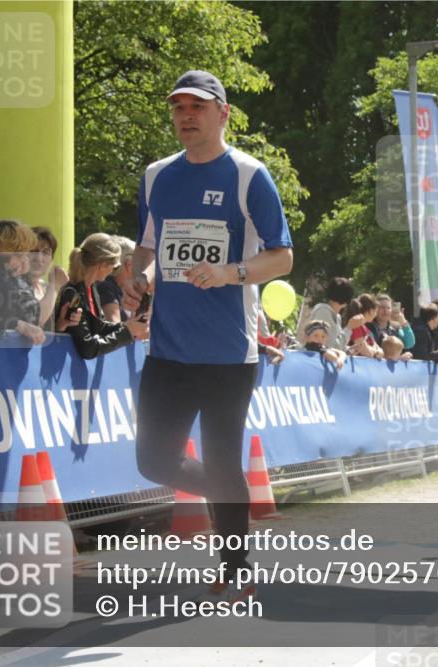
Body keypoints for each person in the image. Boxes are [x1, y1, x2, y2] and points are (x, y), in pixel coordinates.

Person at [122, 70, 293, 603]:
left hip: (228, 353)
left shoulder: (249, 175)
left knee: (222, 460)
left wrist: (231, 272)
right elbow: (147, 246)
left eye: (197, 107)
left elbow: (282, 257)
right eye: (178, 108)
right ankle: (230, 492)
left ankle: (236, 566)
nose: (186, 116)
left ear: (223, 113)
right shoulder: (156, 175)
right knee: (153, 461)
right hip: (168, 349)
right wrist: (137, 277)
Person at [55, 234, 148, 359]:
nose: (113, 271)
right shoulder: (73, 294)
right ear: (103, 265)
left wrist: (129, 326)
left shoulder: (91, 288)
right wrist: (127, 332)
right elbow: (88, 348)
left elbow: (99, 327)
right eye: (114, 266)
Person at [300, 277, 358, 352]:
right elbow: (330, 347)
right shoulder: (323, 311)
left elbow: (336, 346)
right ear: (346, 301)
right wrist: (349, 328)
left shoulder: (337, 317)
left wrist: (348, 350)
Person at [28, 226, 70, 329]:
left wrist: (61, 323)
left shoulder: (45, 287)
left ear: (51, 259)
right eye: (33, 251)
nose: (39, 258)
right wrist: (55, 285)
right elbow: (36, 321)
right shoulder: (15, 285)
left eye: (45, 252)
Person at [98, 235, 136, 323]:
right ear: (129, 265)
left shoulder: (116, 288)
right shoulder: (106, 287)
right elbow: (114, 324)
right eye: (139, 262)